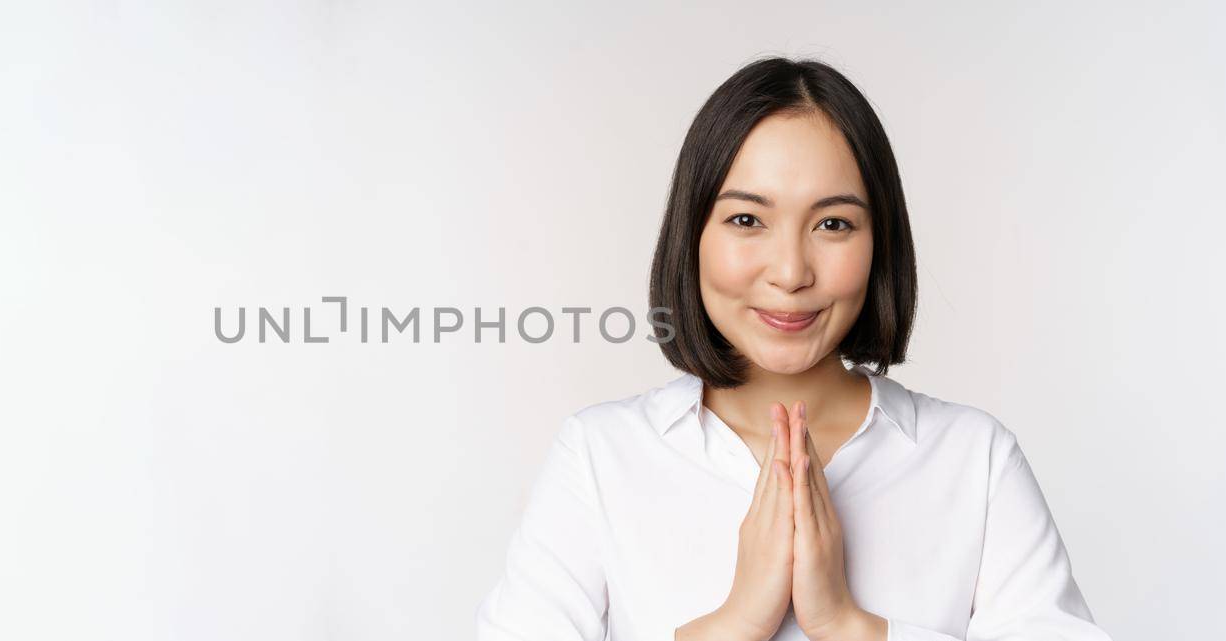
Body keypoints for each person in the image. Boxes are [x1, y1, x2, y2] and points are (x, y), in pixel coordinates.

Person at [474, 57, 1112, 641]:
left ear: (879, 242)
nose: (790, 271)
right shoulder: (600, 456)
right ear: (690, 233)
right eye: (747, 220)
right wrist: (736, 622)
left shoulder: (976, 460)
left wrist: (847, 624)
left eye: (833, 224)